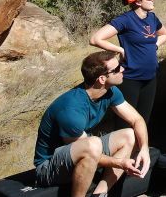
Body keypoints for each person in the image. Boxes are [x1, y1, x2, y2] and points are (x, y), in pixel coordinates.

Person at [33, 50, 151, 197]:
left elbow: (136, 119)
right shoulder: (71, 109)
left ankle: (100, 194)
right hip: (49, 168)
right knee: (92, 144)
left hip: (82, 151)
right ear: (102, 79)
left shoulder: (111, 92)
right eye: (116, 69)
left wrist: (144, 149)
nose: (123, 69)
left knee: (130, 135)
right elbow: (86, 150)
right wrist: (121, 163)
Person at [90, 0, 166, 128]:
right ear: (138, 2)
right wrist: (120, 49)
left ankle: (139, 149)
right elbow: (96, 39)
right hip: (130, 79)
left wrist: (154, 46)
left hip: (150, 78)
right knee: (125, 125)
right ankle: (123, 149)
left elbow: (164, 34)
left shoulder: (152, 18)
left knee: (143, 122)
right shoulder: (125, 20)